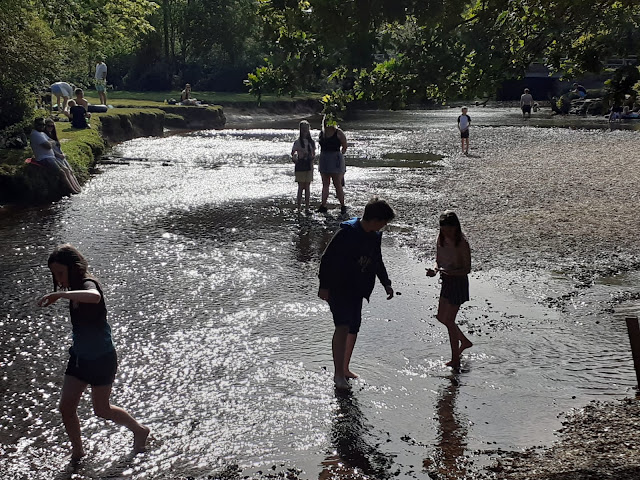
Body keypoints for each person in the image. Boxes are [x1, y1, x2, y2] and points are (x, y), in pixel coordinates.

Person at [37, 244, 150, 460]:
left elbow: (95, 296)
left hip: (101, 359)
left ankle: (139, 430)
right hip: (79, 358)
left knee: (102, 410)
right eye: (54, 274)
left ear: (74, 268)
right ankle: (78, 452)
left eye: (60, 272)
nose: (58, 278)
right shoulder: (72, 289)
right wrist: (65, 294)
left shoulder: (88, 283)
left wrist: (61, 295)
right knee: (66, 408)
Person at [318, 197, 395, 389]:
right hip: (338, 286)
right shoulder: (347, 233)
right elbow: (326, 259)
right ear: (375, 219)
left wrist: (386, 283)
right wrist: (324, 286)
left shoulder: (375, 236)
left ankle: (345, 368)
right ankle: (337, 375)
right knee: (342, 326)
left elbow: (377, 260)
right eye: (384, 223)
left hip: (358, 288)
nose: (384, 227)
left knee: (353, 328)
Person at [425, 211, 473, 369]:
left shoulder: (462, 243)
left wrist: (451, 272)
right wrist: (435, 270)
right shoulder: (441, 239)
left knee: (450, 321)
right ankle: (464, 342)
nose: (447, 233)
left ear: (456, 227)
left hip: (458, 283)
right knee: (441, 317)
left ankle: (455, 359)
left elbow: (467, 269)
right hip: (446, 280)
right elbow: (438, 261)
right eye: (444, 230)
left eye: (450, 230)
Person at [29, 118, 81, 194]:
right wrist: (50, 143)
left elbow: (53, 142)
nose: (42, 126)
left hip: (52, 157)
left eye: (43, 125)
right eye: (40, 124)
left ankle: (77, 189)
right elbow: (48, 146)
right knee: (62, 172)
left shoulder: (42, 134)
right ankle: (73, 191)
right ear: (35, 125)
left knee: (67, 170)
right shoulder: (35, 134)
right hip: (44, 158)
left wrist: (50, 143)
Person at [317, 116, 348, 214]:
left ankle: (323, 205)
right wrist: (341, 156)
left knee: (326, 184)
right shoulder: (338, 132)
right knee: (337, 184)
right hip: (335, 159)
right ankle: (342, 205)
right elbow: (344, 146)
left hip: (324, 158)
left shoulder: (322, 133)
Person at [44, 119, 82, 193]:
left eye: (52, 126)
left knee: (71, 171)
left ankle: (78, 188)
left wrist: (62, 154)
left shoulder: (53, 135)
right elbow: (49, 149)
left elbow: (58, 147)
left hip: (61, 155)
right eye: (48, 126)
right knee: (66, 171)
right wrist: (58, 155)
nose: (50, 128)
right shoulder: (45, 136)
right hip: (56, 156)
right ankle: (74, 190)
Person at [291, 120, 316, 213]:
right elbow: (292, 154)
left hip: (309, 165)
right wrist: (296, 159)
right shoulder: (297, 142)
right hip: (301, 165)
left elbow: (314, 154)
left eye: (306, 128)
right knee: (301, 187)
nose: (305, 130)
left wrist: (311, 158)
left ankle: (307, 207)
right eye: (303, 129)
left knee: (308, 186)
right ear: (300, 130)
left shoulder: (311, 142)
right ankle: (298, 207)